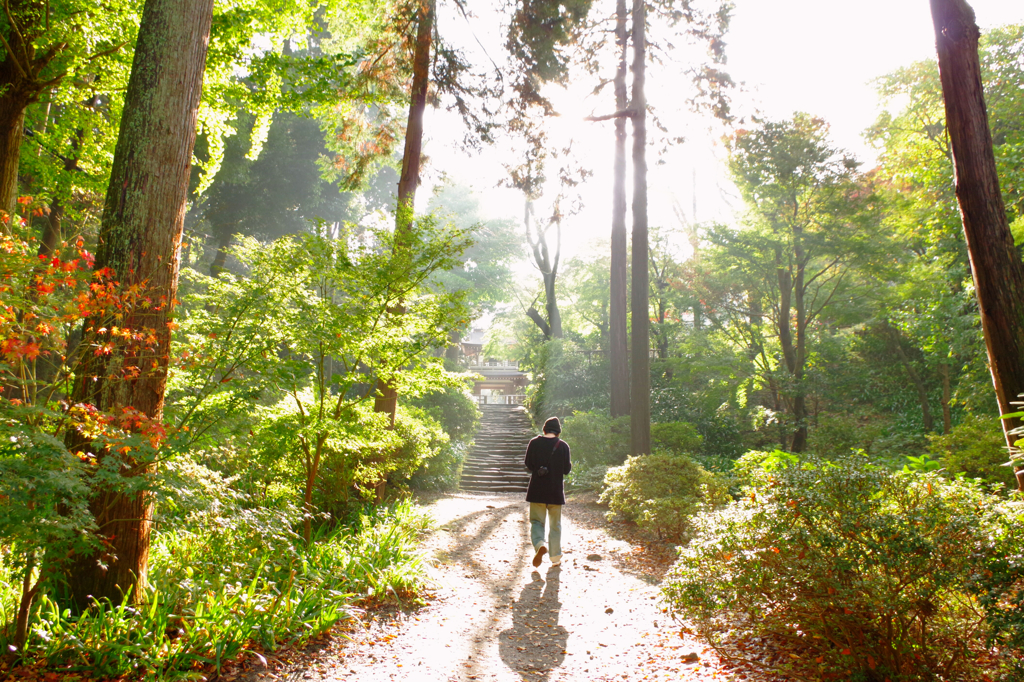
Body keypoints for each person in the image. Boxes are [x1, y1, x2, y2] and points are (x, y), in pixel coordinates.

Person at [524, 416, 571, 567]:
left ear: (544, 429)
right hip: (555, 492)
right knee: (555, 525)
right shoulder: (563, 446)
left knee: (537, 522)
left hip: (537, 491)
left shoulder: (534, 443)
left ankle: (539, 545)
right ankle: (555, 557)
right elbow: (566, 470)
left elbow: (528, 464)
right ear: (558, 432)